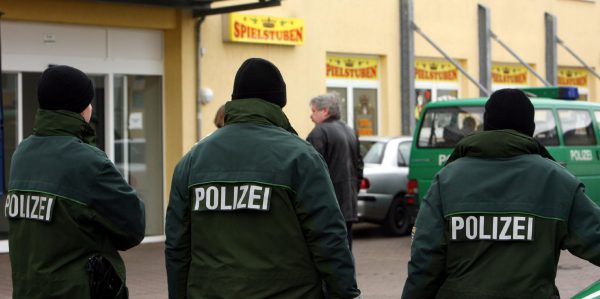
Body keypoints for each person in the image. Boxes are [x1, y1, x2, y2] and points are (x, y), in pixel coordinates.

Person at [165, 58, 361, 299]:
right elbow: (329, 240)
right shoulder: (300, 157)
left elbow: (177, 247)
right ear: (279, 102)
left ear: (236, 99)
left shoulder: (193, 160)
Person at [402, 88, 600, 299]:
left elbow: (424, 263)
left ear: (486, 126)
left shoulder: (447, 179)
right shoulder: (557, 181)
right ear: (530, 128)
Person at [5, 65, 146, 299]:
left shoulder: (22, 153)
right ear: (80, 108)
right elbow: (134, 226)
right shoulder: (88, 161)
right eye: (88, 101)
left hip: (28, 290)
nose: (91, 107)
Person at [307, 92, 363, 250]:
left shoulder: (318, 133)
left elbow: (311, 171)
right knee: (346, 252)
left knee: (328, 253)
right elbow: (359, 167)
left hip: (328, 208)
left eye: (313, 111)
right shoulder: (350, 131)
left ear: (324, 111)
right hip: (348, 205)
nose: (310, 116)